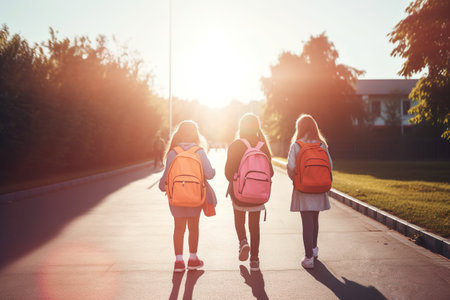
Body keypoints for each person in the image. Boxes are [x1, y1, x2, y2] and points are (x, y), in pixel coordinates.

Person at [159, 120, 215, 272]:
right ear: (195, 134)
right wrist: (212, 171)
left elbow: (164, 179)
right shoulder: (199, 151)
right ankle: (192, 258)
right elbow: (210, 174)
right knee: (193, 227)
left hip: (176, 197)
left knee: (178, 228)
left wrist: (162, 186)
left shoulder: (172, 152)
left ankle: (178, 261)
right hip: (195, 196)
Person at [225, 113, 274, 271]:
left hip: (240, 194)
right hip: (258, 194)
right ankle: (254, 260)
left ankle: (243, 242)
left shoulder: (236, 145)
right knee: (255, 226)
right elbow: (270, 173)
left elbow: (227, 172)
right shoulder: (263, 146)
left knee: (239, 220)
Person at [287, 114, 332, 269]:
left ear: (299, 128)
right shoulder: (322, 145)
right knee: (314, 220)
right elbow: (330, 166)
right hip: (319, 188)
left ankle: (308, 258)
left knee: (307, 222)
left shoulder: (297, 145)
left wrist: (296, 179)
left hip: (303, 188)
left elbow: (291, 168)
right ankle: (314, 250)